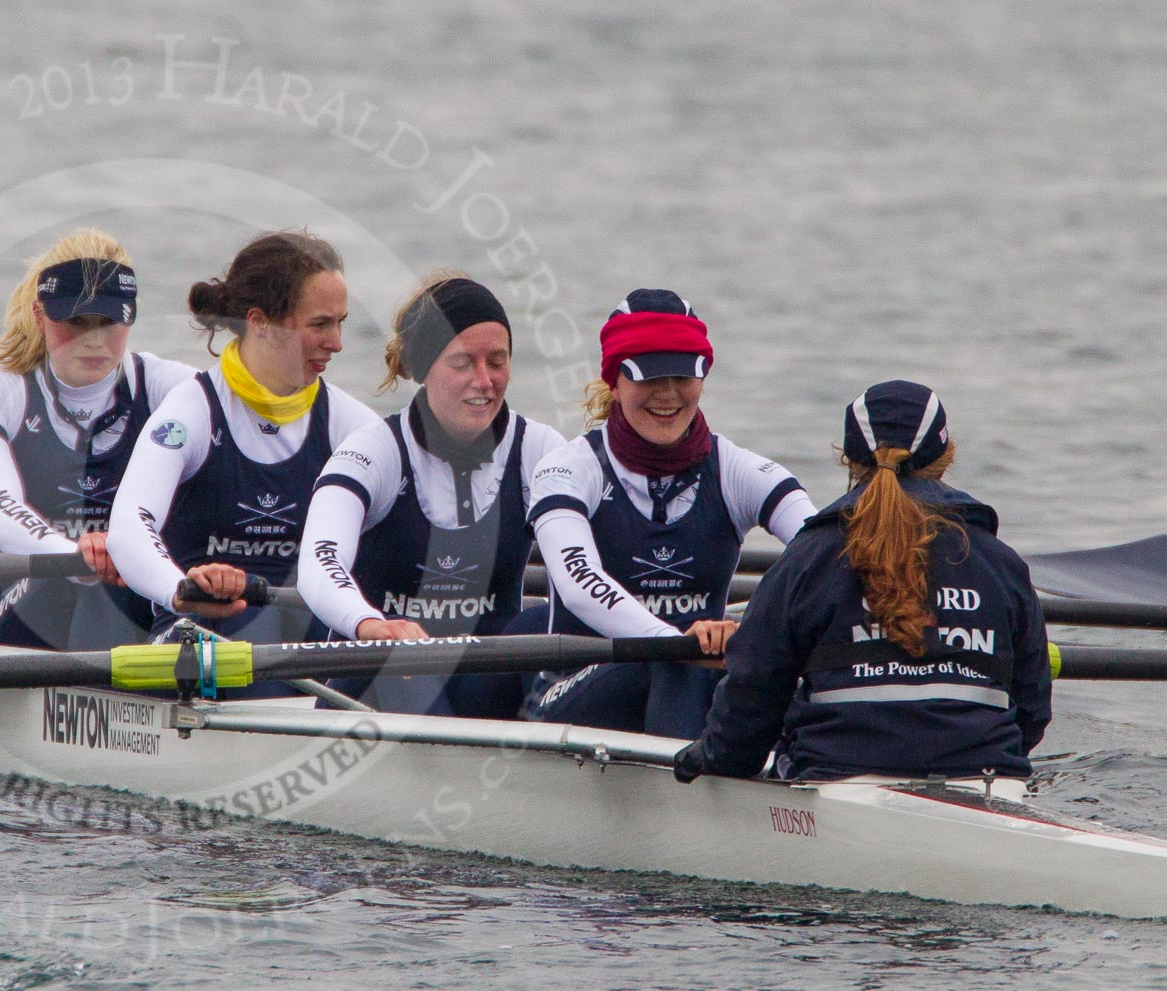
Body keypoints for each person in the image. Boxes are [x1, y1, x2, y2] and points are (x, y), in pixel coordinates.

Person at [674, 381, 1051, 787]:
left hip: (838, 779)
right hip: (988, 779)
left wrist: (714, 756)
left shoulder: (808, 558)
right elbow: (1032, 709)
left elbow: (753, 697)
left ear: (848, 460)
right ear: (947, 457)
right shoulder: (1001, 563)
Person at [521, 289, 815, 738]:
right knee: (674, 663)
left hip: (693, 682)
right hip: (572, 693)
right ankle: (691, 791)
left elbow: (822, 554)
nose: (668, 394)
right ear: (613, 381)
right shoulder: (569, 468)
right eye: (649, 378)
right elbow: (578, 583)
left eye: (682, 376)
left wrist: (748, 629)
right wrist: (678, 643)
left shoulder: (736, 469)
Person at [109, 229, 380, 671]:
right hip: (199, 637)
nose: (337, 342)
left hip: (308, 643)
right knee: (243, 632)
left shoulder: (352, 427)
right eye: (319, 324)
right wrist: (180, 587)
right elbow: (129, 526)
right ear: (259, 322)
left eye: (340, 322)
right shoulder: (192, 412)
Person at [298, 273, 565, 716]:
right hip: (375, 679)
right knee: (406, 668)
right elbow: (320, 558)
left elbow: (590, 564)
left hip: (483, 683)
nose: (484, 381)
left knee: (539, 623)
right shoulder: (373, 452)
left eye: (497, 361)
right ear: (423, 368)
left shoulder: (541, 450)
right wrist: (370, 624)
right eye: (463, 364)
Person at [0, 229, 197, 650]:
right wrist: (76, 556)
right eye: (77, 322)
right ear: (39, 314)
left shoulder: (169, 387)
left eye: (109, 322)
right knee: (74, 582)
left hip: (128, 604)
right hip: (16, 609)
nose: (94, 339)